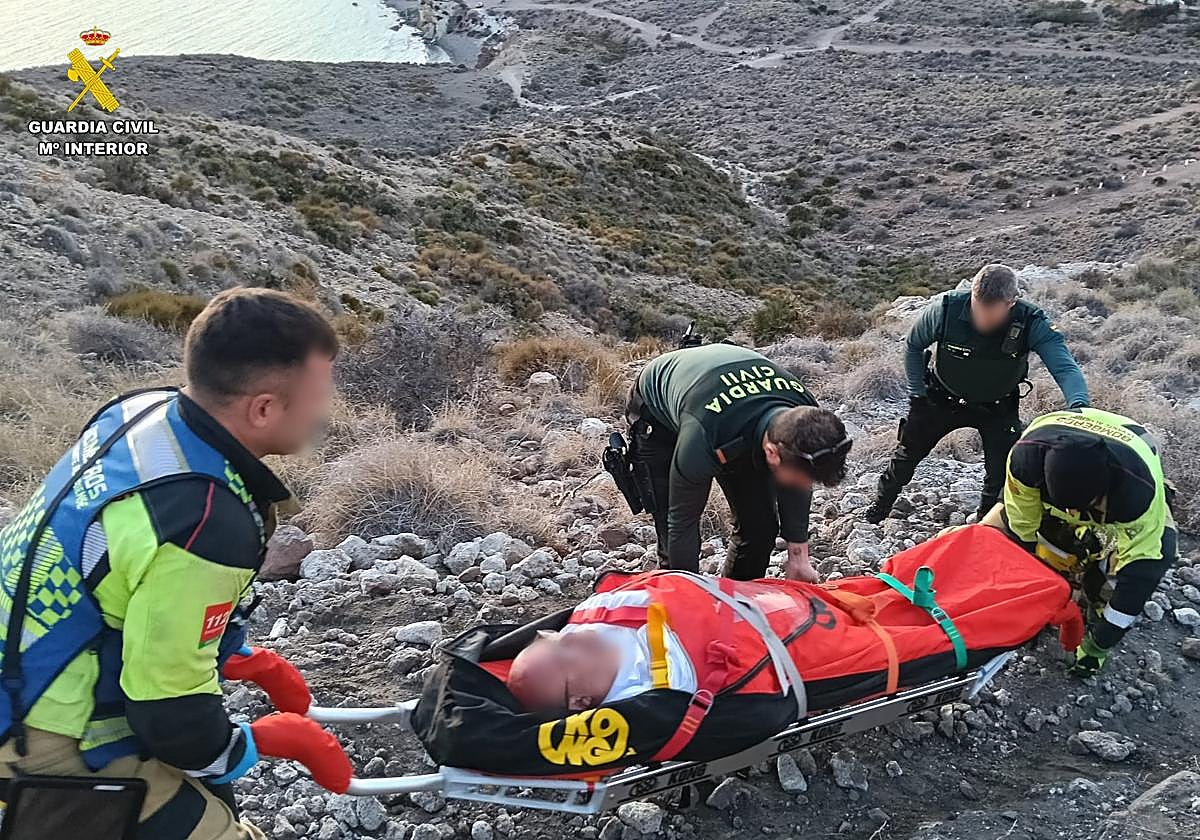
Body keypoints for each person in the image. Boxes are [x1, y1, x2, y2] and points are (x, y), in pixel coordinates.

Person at [0, 289, 348, 839]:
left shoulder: (142, 415)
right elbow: (169, 711)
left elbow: (122, 577)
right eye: (318, 395)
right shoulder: (204, 521)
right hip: (43, 727)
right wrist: (253, 744)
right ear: (263, 408)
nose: (325, 412)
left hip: (24, 665)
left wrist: (236, 653)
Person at [865, 264, 1089, 525]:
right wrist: (917, 395)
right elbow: (913, 345)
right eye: (977, 309)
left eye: (990, 315)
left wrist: (1079, 406)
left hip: (997, 406)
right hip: (941, 397)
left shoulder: (1031, 321)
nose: (982, 320)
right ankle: (879, 507)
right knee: (906, 455)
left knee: (1001, 474)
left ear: (1011, 303)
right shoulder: (946, 309)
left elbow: (1064, 367)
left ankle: (985, 527)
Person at [627, 343, 852, 582]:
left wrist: (799, 559)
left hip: (729, 402)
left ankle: (737, 597)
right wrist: (688, 592)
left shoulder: (807, 416)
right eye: (800, 479)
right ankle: (674, 595)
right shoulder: (703, 437)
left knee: (759, 530)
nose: (806, 486)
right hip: (659, 411)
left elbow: (798, 480)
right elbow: (681, 524)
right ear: (771, 452)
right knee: (671, 530)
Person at [989, 407, 1176, 676]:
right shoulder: (1025, 461)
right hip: (1054, 442)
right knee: (993, 536)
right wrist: (1025, 592)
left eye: (1084, 508)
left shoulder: (1137, 494)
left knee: (1121, 577)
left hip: (1132, 453)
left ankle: (1092, 602)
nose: (1073, 514)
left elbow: (1140, 575)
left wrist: (1098, 645)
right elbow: (1021, 531)